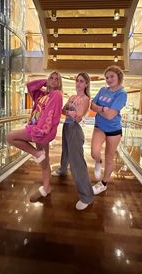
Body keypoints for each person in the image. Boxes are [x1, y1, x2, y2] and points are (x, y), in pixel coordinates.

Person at [6, 71, 63, 201]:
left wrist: (41, 131)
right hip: (37, 129)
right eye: (51, 78)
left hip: (39, 131)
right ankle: (46, 187)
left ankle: (36, 154)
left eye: (57, 79)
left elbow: (51, 114)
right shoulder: (44, 94)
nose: (54, 80)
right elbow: (30, 86)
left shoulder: (56, 94)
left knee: (10, 137)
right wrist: (45, 82)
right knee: (45, 162)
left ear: (60, 83)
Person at [52, 72, 94, 210]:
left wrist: (71, 112)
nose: (78, 83)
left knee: (77, 162)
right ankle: (62, 169)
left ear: (86, 84)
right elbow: (64, 111)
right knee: (65, 152)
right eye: (77, 80)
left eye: (82, 81)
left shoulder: (86, 99)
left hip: (75, 129)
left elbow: (79, 117)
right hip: (66, 126)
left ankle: (87, 196)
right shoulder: (72, 97)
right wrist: (70, 111)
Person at [90, 66, 127, 195]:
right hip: (99, 126)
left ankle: (103, 184)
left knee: (109, 158)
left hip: (114, 130)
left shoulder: (122, 94)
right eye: (107, 77)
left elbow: (111, 115)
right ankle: (98, 161)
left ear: (118, 77)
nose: (109, 79)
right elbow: (92, 105)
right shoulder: (102, 90)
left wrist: (98, 108)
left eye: (111, 76)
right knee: (94, 152)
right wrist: (101, 109)